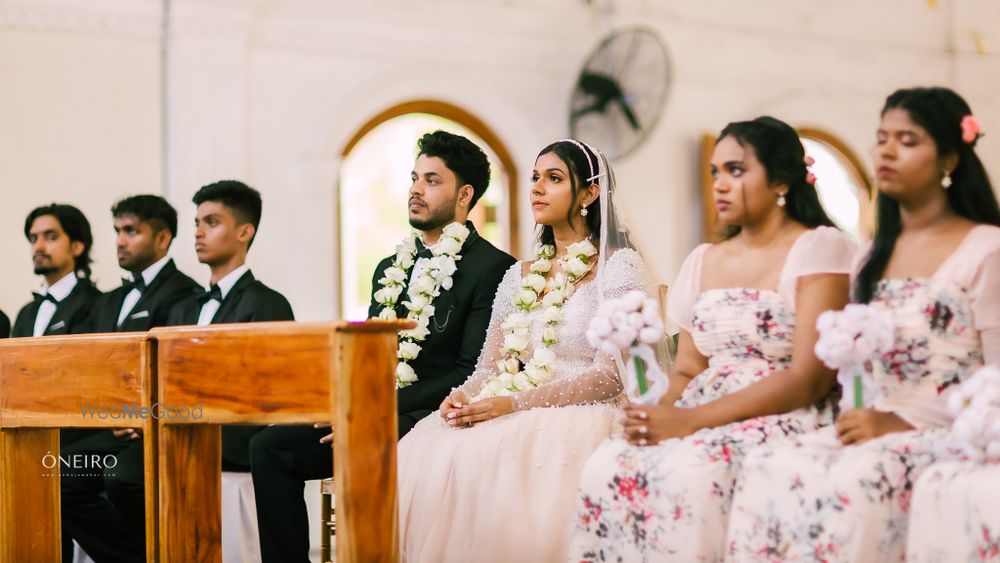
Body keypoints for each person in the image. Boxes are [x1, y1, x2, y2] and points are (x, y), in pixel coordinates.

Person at [726, 87, 1000, 561]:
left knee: (854, 479)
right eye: (881, 138)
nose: (887, 151)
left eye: (908, 140)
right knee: (769, 464)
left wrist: (902, 421)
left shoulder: (985, 249)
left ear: (950, 159)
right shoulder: (871, 257)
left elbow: (995, 379)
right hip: (870, 421)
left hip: (949, 428)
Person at [570, 116, 856, 561]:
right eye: (715, 172)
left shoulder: (820, 248)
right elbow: (687, 368)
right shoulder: (703, 259)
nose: (721, 183)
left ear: (781, 179)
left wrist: (693, 421)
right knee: (610, 463)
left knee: (693, 475)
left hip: (781, 410)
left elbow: (808, 378)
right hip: (699, 404)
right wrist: (659, 412)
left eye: (736, 171)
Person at [249, 130, 514, 562]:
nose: (414, 189)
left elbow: (469, 370)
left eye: (432, 180)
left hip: (436, 413)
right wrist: (345, 403)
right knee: (269, 448)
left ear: (465, 194)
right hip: (376, 406)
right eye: (414, 178)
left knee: (366, 441)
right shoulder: (390, 268)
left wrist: (374, 412)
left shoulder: (494, 268)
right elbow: (372, 357)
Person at [397, 139, 655, 562]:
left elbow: (612, 377)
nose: (536, 187)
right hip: (515, 405)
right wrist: (464, 396)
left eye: (553, 179)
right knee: (433, 445)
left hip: (587, 413)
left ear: (589, 193)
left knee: (491, 461)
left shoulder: (620, 268)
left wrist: (513, 403)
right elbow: (488, 367)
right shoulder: (519, 275)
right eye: (534, 177)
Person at [61, 195, 201, 562]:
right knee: (51, 466)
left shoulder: (185, 295)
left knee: (79, 477)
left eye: (132, 231)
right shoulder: (109, 300)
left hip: (152, 428)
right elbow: (96, 366)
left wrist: (143, 415)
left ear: (162, 238)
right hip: (108, 424)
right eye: (118, 231)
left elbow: (176, 368)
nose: (120, 240)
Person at [13, 203, 101, 338]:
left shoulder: (95, 303)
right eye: (33, 239)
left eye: (51, 237)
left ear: (77, 246)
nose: (38, 247)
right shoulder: (25, 313)